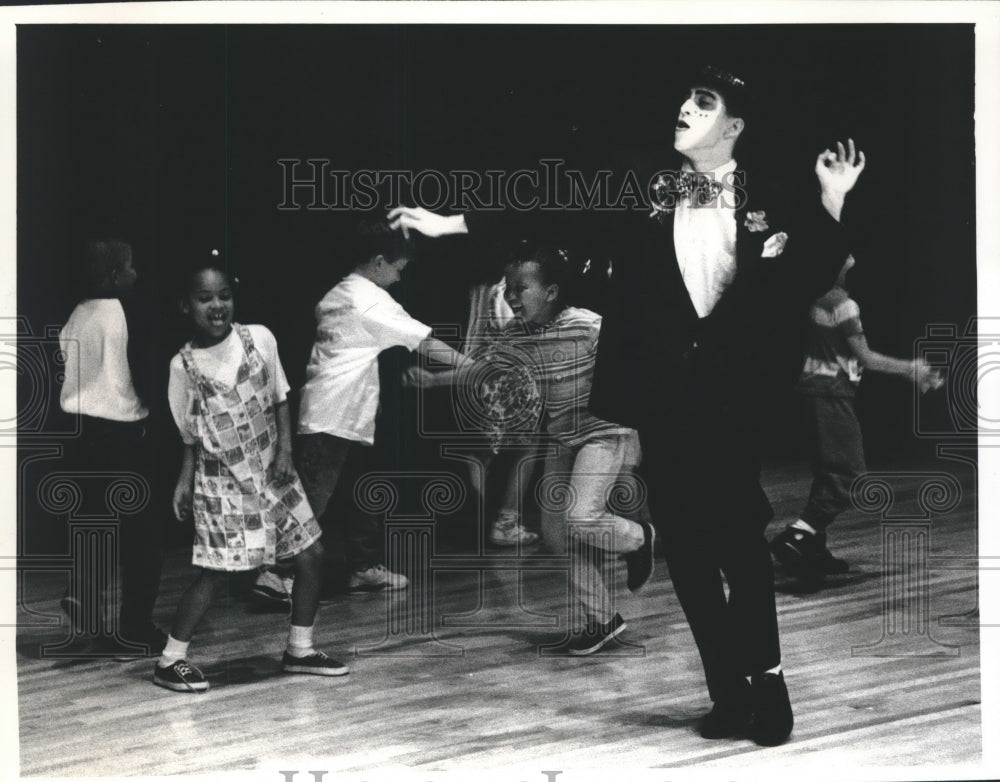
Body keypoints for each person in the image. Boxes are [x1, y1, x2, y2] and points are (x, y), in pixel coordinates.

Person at [389, 65, 866, 746]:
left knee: (737, 540)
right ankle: (726, 691)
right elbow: (551, 205)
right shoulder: (645, 184)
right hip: (659, 397)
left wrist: (832, 198)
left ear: (733, 127)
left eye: (704, 103)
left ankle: (770, 680)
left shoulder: (771, 198)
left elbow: (809, 274)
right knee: (691, 550)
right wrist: (450, 224)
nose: (685, 108)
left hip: (729, 399)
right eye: (686, 97)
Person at [410, 243, 655, 654]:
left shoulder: (589, 326)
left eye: (519, 288)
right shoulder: (516, 337)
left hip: (602, 433)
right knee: (555, 533)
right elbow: (480, 369)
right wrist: (433, 381)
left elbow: (638, 365)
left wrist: (637, 432)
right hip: (562, 438)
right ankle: (602, 622)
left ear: (551, 291)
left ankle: (640, 539)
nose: (509, 296)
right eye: (507, 288)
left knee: (582, 518)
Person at [160, 258, 346, 693]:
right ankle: (170, 659)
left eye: (224, 295)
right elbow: (189, 435)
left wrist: (286, 450)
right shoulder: (182, 366)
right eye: (204, 298)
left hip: (274, 474)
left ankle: (300, 649)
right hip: (223, 483)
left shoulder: (259, 338)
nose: (217, 305)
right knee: (217, 572)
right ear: (185, 305)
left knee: (311, 555)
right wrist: (184, 480)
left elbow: (281, 397)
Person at [296, 220, 476, 594]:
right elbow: (423, 341)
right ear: (379, 262)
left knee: (360, 488)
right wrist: (473, 368)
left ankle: (363, 566)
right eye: (397, 269)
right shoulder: (369, 299)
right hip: (333, 417)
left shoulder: (339, 292)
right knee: (313, 497)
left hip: (346, 416)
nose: (398, 278)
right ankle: (277, 572)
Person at [770, 254, 942, 583]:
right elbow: (865, 357)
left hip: (812, 392)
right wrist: (912, 369)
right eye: (844, 255)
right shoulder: (843, 305)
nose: (852, 259)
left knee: (827, 473)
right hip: (830, 393)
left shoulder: (814, 299)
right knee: (848, 475)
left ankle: (813, 549)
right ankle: (797, 536)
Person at [58, 239, 166, 657]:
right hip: (123, 437)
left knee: (95, 526)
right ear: (118, 275)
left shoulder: (77, 313)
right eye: (132, 267)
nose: (137, 275)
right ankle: (135, 629)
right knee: (143, 539)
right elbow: (141, 368)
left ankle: (82, 595)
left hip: (82, 434)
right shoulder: (124, 312)